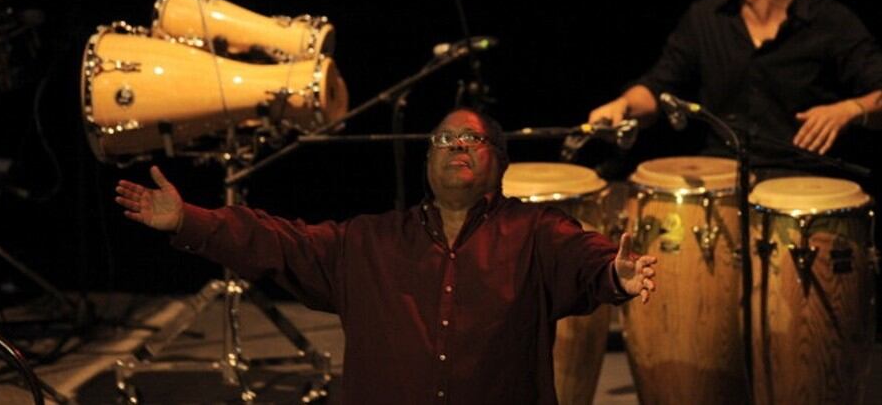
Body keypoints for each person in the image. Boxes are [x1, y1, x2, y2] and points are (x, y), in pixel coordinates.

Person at [114, 108, 657, 405]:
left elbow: (586, 260)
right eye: (443, 140)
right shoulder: (369, 241)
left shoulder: (535, 231)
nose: (457, 147)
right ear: (427, 161)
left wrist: (615, 273)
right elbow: (276, 241)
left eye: (472, 140)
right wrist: (191, 221)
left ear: (500, 162)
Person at [589, 0, 882, 158]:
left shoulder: (829, 21)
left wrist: (850, 109)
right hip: (723, 181)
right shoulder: (705, 18)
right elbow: (658, 87)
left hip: (801, 183)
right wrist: (624, 105)